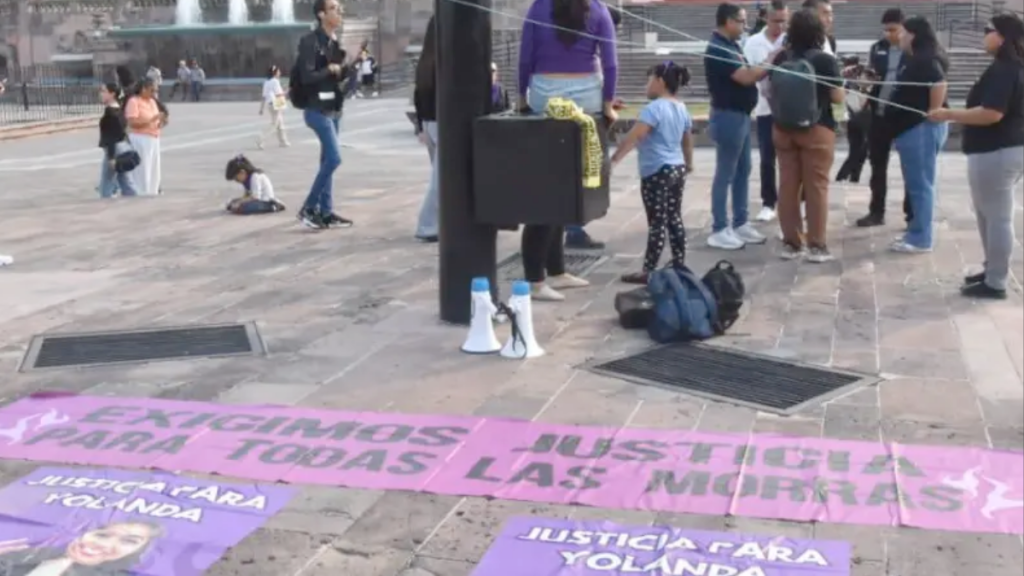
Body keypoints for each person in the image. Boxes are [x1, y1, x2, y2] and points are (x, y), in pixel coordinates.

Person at [517, 0, 617, 300]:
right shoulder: (598, 9)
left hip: (545, 95)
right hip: (586, 96)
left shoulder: (538, 7)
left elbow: (525, 58)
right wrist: (608, 104)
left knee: (548, 185)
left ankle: (555, 271)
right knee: (564, 185)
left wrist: (522, 96)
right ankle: (536, 280)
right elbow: (610, 62)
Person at [929, 13, 1024, 299]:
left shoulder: (1005, 70)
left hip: (997, 150)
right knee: (988, 216)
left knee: (997, 218)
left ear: (1003, 36)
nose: (984, 35)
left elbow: (992, 113)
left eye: (988, 30)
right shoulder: (1008, 68)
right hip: (999, 150)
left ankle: (996, 281)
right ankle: (992, 269)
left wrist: (949, 114)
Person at [771, 8, 845, 263]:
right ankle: (817, 245)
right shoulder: (824, 60)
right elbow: (837, 97)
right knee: (817, 187)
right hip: (817, 128)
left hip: (782, 128)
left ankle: (791, 243)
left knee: (788, 186)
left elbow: (770, 91)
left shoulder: (781, 57)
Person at [611, 62, 694, 284]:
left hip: (656, 171)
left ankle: (649, 270)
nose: (646, 86)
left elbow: (636, 136)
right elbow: (687, 140)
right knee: (674, 217)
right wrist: (689, 163)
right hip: (677, 168)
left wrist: (614, 160)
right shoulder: (681, 107)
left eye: (649, 80)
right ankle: (679, 263)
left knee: (657, 222)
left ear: (660, 81)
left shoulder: (654, 109)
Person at [704, 2, 773, 251]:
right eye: (742, 21)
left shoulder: (731, 45)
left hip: (741, 115)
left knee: (743, 169)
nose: (745, 26)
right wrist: (771, 59)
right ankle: (719, 228)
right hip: (728, 116)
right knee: (726, 172)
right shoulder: (718, 48)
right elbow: (746, 77)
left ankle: (740, 221)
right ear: (729, 21)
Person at [562, 0, 623, 251]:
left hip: (577, 115)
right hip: (582, 123)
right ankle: (572, 230)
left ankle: (570, 228)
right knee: (581, 173)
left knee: (574, 173)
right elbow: (610, 68)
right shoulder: (590, 57)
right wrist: (606, 106)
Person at [888, 16, 949, 254]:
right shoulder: (915, 57)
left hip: (920, 129)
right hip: (911, 129)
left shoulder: (926, 59)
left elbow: (939, 81)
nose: (899, 37)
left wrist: (934, 111)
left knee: (921, 185)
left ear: (912, 34)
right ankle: (915, 230)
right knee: (917, 184)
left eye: (902, 32)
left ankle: (921, 238)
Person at [293, 0, 352, 230]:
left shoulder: (335, 43)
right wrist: (330, 69)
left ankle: (326, 212)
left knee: (327, 161)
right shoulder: (309, 41)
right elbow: (307, 76)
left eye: (339, 8)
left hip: (334, 109)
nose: (339, 12)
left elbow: (338, 77)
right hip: (316, 109)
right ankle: (309, 208)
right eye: (334, 8)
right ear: (321, 14)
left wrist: (348, 65)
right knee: (334, 159)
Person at [856, 8, 912, 227]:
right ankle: (876, 211)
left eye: (893, 30)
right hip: (879, 115)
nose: (889, 34)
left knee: (910, 167)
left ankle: (912, 214)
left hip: (904, 117)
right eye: (885, 30)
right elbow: (871, 77)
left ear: (904, 28)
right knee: (877, 165)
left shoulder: (912, 50)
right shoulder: (877, 49)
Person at [743, 0, 788, 223]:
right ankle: (768, 202)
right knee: (767, 157)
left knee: (791, 158)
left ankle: (794, 202)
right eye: (776, 21)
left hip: (790, 108)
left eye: (784, 20)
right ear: (765, 19)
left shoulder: (792, 41)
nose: (780, 26)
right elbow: (750, 73)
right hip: (764, 108)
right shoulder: (753, 43)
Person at [0, 520, 163, 575]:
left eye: (129, 541)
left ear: (140, 549)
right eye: (101, 534)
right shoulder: (23, 552)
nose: (105, 545)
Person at [413, 15, 439, 243]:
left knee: (441, 177)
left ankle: (440, 223)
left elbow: (418, 95)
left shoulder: (425, 61)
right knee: (441, 180)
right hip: (443, 125)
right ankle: (427, 225)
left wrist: (420, 125)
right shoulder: (446, 62)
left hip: (430, 125)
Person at [834, 54, 875, 183]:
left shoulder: (846, 77)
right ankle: (844, 175)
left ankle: (853, 176)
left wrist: (841, 119)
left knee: (858, 150)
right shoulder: (852, 80)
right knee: (858, 150)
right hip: (858, 118)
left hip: (857, 117)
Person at [124, 77, 165, 196]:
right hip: (140, 138)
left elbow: (156, 119)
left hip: (153, 137)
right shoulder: (134, 101)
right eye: (152, 90)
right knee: (143, 167)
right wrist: (151, 120)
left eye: (156, 91)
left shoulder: (152, 102)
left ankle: (153, 190)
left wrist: (160, 121)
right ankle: (141, 191)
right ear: (143, 89)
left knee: (153, 167)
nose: (154, 94)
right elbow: (132, 123)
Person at [97, 82, 139, 199]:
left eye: (103, 91)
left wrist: (111, 157)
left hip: (114, 149)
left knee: (106, 183)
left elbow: (111, 136)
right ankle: (134, 200)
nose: (101, 94)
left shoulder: (110, 113)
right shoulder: (119, 110)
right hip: (122, 147)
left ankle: (105, 203)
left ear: (112, 94)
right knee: (125, 180)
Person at [257, 65, 290, 149]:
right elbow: (279, 94)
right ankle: (261, 138)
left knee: (280, 123)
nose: (280, 73)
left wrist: (261, 108)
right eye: (279, 71)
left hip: (270, 103)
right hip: (277, 102)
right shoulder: (275, 81)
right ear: (274, 73)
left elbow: (264, 96)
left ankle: (283, 141)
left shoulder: (266, 82)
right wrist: (287, 91)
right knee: (274, 125)